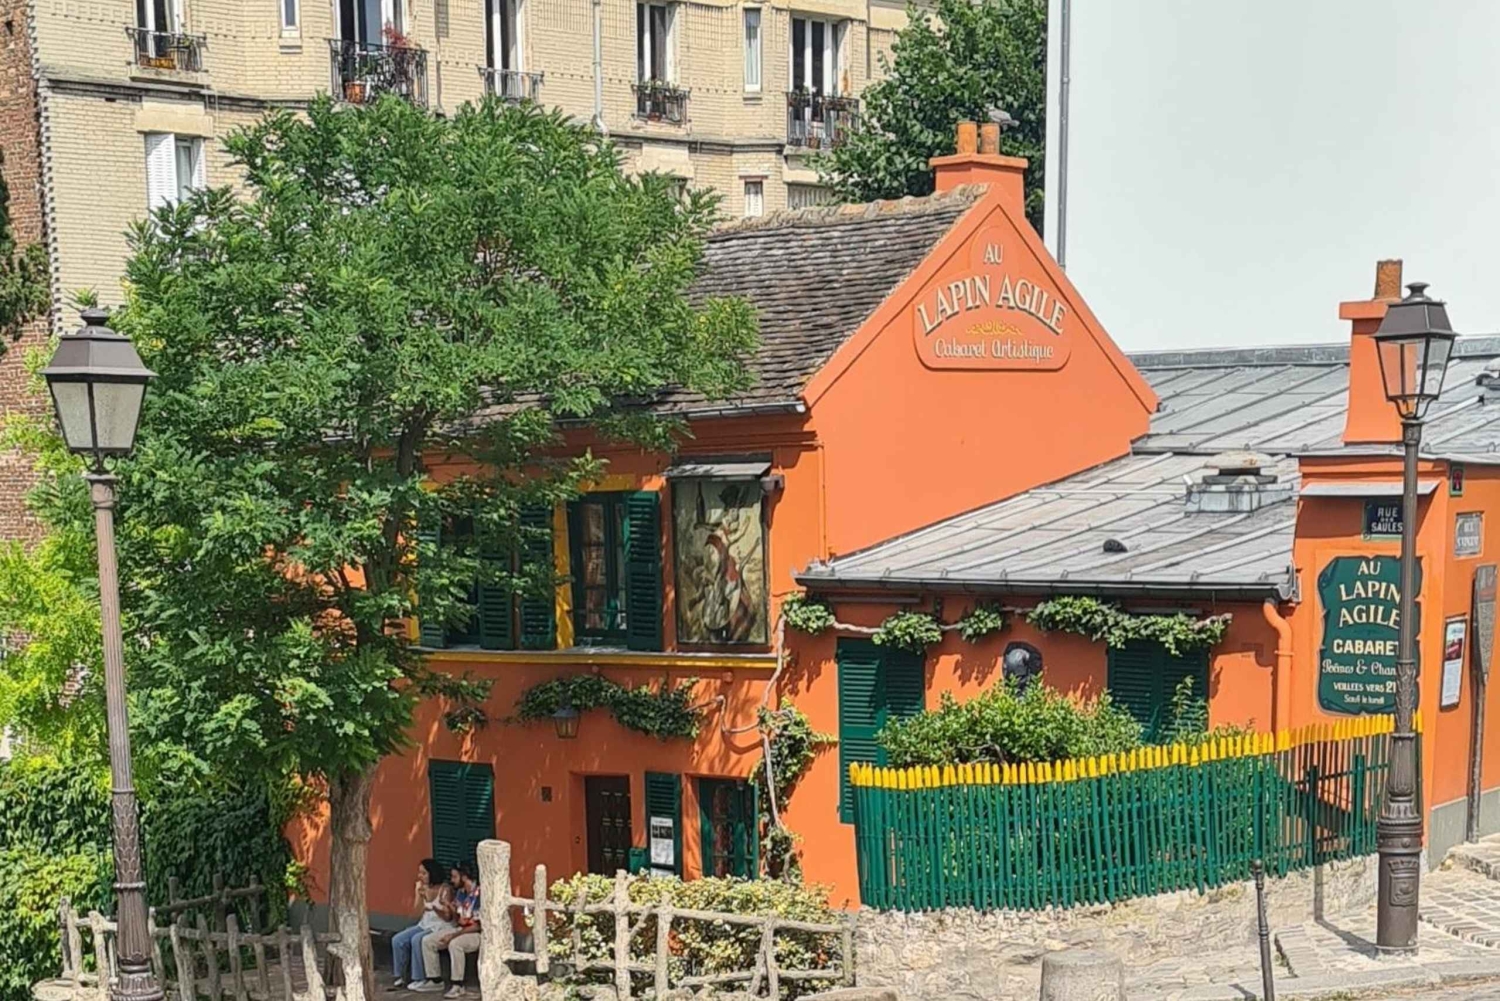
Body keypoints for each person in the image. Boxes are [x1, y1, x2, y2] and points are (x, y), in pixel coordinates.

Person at [413, 861, 482, 998]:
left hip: (476, 933)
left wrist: (453, 936)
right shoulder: (461, 893)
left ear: (463, 877)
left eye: (454, 877)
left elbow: (477, 925)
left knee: (455, 944)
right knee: (428, 941)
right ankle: (435, 980)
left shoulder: (479, 895)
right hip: (460, 929)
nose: (452, 880)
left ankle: (458, 985)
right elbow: (457, 919)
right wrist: (448, 906)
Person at [389, 859, 454, 990]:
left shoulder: (445, 889)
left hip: (439, 926)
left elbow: (447, 918)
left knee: (417, 939)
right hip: (424, 924)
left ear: (432, 874)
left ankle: (419, 977)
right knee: (398, 939)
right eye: (420, 873)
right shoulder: (421, 887)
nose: (420, 876)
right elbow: (416, 913)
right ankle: (401, 976)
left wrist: (433, 903)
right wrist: (419, 896)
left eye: (424, 873)